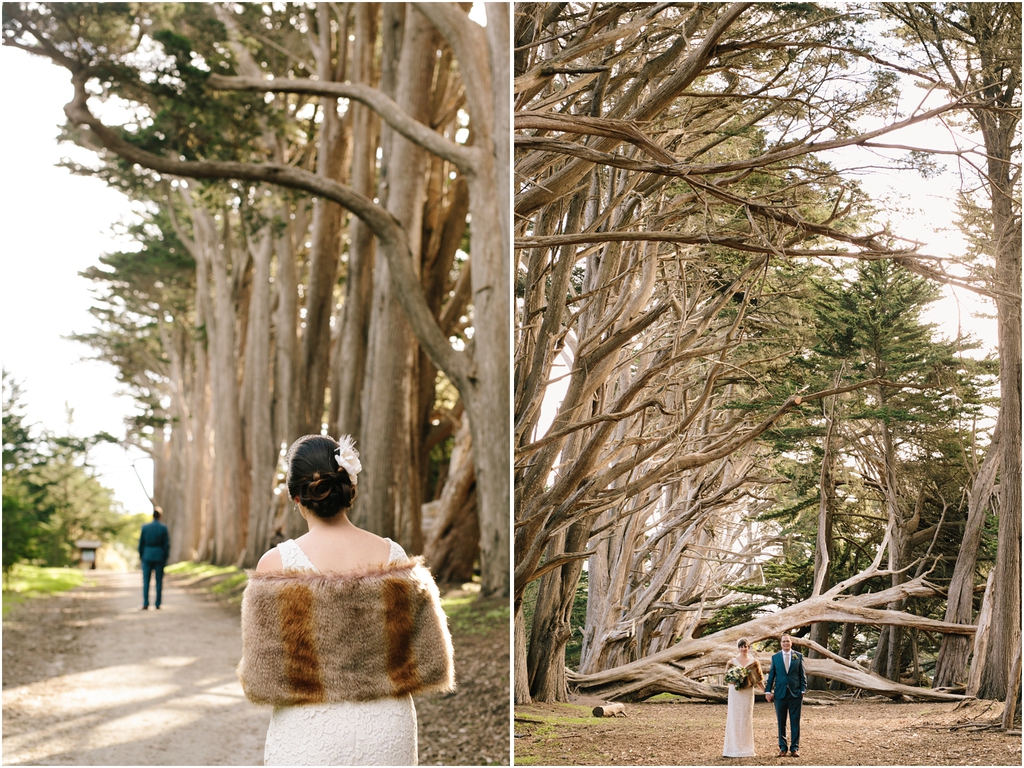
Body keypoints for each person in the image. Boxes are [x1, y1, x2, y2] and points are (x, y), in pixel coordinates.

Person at [238, 434, 455, 766]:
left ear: (296, 496)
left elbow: (261, 676)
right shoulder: (393, 556)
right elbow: (431, 657)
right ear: (349, 488)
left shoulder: (275, 564)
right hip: (386, 728)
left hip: (308, 730)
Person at [765, 633, 807, 758]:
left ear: (791, 643)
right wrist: (768, 691)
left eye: (787, 641)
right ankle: (782, 748)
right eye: (783, 642)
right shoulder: (775, 657)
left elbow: (802, 674)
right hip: (780, 694)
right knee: (781, 722)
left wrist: (803, 689)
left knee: (795, 722)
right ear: (781, 643)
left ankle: (794, 748)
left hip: (795, 694)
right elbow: (771, 675)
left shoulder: (798, 656)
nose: (785, 643)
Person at [722, 638, 764, 757]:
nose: (743, 649)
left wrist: (767, 692)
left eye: (745, 646)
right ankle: (733, 748)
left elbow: (759, 680)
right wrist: (735, 681)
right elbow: (727, 679)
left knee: (746, 717)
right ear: (738, 648)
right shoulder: (732, 662)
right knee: (734, 717)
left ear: (748, 647)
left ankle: (746, 748)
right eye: (741, 646)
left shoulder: (754, 662)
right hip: (735, 692)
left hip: (748, 692)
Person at [138, 507, 170, 610]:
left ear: (152, 516)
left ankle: (146, 603)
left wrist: (141, 556)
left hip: (147, 556)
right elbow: (166, 545)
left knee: (146, 581)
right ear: (160, 516)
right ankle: (157, 603)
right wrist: (165, 557)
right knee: (159, 581)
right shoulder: (163, 528)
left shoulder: (145, 527)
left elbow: (141, 544)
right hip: (159, 557)